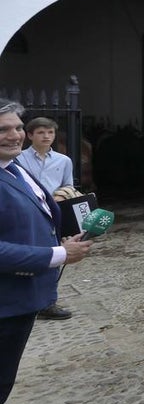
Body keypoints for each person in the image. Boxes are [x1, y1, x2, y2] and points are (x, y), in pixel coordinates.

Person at [0, 99, 91, 404]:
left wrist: (68, 232)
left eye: (17, 127)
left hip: (23, 297)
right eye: (4, 129)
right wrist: (57, 254)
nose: (15, 134)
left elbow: (40, 212)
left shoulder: (14, 169)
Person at [16, 118, 75, 320]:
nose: (46, 136)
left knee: (54, 256)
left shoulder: (64, 160)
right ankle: (27, 299)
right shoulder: (18, 159)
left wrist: (61, 196)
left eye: (50, 132)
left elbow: (69, 186)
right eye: (41, 132)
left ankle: (49, 302)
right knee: (30, 255)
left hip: (53, 215)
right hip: (27, 213)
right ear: (30, 135)